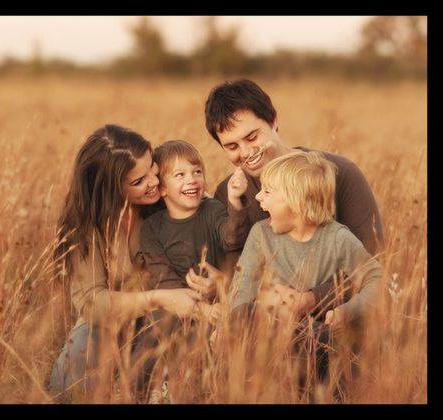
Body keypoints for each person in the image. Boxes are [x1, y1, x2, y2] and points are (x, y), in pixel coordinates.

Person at [48, 124, 210, 403]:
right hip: (111, 323)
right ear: (110, 189)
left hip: (173, 321)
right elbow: (92, 303)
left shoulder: (168, 201)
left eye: (152, 168)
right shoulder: (86, 227)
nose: (153, 182)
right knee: (71, 385)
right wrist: (159, 298)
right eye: (137, 182)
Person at [202, 78, 384, 319]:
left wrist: (310, 299)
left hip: (334, 321)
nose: (245, 152)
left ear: (274, 121)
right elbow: (239, 274)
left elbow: (375, 265)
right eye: (232, 146)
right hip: (266, 323)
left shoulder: (339, 173)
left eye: (252, 137)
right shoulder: (229, 192)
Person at [224, 151, 382, 390]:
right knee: (245, 313)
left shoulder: (337, 238)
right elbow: (243, 283)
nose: (258, 197)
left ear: (296, 202)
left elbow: (376, 279)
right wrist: (231, 326)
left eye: (267, 191)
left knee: (311, 338)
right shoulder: (261, 234)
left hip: (316, 337)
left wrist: (348, 311)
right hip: (270, 335)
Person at [140, 140, 250, 300]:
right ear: (162, 188)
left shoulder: (213, 209)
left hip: (219, 299)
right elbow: (165, 281)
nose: (192, 179)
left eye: (197, 172)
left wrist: (234, 199)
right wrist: (196, 309)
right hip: (178, 307)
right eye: (180, 175)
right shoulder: (151, 228)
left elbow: (233, 239)